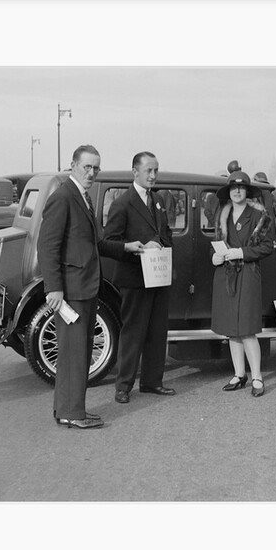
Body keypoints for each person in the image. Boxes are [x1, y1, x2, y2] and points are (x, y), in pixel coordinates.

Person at [37, 144, 144, 429]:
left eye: (96, 167)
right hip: (71, 290)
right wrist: (54, 289)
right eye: (87, 166)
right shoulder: (63, 197)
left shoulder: (82, 197)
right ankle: (73, 412)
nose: (92, 172)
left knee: (78, 352)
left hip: (84, 288)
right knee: (74, 353)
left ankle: (68, 409)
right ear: (73, 165)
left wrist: (127, 247)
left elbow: (96, 244)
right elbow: (48, 246)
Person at [103, 151, 176, 405]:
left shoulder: (159, 201)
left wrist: (158, 243)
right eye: (148, 171)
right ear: (135, 172)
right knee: (133, 333)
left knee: (157, 331)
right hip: (134, 278)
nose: (153, 175)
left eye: (156, 170)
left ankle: (152, 382)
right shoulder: (122, 203)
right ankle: (123, 386)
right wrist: (135, 247)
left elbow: (166, 234)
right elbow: (109, 242)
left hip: (158, 276)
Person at [210, 171, 274, 398]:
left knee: (246, 329)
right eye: (233, 188)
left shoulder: (260, 216)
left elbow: (267, 246)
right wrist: (215, 257)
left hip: (248, 273)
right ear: (229, 192)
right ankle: (239, 375)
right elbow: (216, 243)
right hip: (225, 275)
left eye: (242, 187)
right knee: (231, 330)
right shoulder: (222, 214)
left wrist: (241, 252)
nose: (237, 191)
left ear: (247, 191)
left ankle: (257, 377)